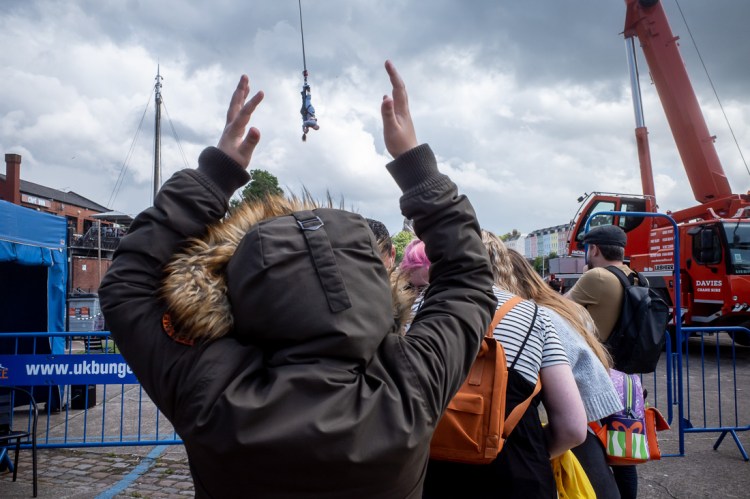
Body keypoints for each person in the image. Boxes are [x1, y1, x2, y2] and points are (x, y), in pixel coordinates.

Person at [98, 60, 497, 498]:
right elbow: (468, 278)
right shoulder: (409, 388)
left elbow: (126, 287)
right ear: (373, 285)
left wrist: (214, 176)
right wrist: (416, 167)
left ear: (237, 293)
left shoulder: (209, 391)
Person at [421, 230, 587, 498]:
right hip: (519, 475)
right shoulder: (535, 316)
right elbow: (573, 428)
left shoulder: (414, 311)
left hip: (430, 476)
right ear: (500, 262)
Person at [500, 247, 623, 499]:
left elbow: (568, 428)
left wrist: (536, 449)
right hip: (592, 419)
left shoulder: (536, 317)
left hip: (571, 427)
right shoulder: (563, 308)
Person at [566, 224, 639, 499]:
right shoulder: (634, 277)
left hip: (597, 375)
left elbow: (557, 308)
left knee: (588, 448)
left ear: (593, 249)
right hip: (627, 377)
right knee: (623, 453)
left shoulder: (596, 276)